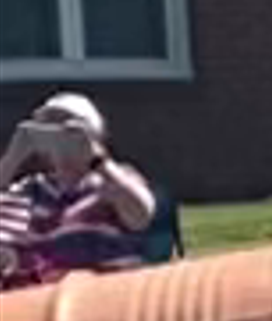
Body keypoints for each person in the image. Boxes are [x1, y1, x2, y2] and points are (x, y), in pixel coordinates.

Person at [0, 91, 159, 278]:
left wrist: (97, 161)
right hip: (50, 295)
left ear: (93, 135)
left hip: (108, 291)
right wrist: (12, 159)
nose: (55, 134)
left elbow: (141, 216)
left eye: (65, 125)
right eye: (46, 125)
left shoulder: (113, 178)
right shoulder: (32, 188)